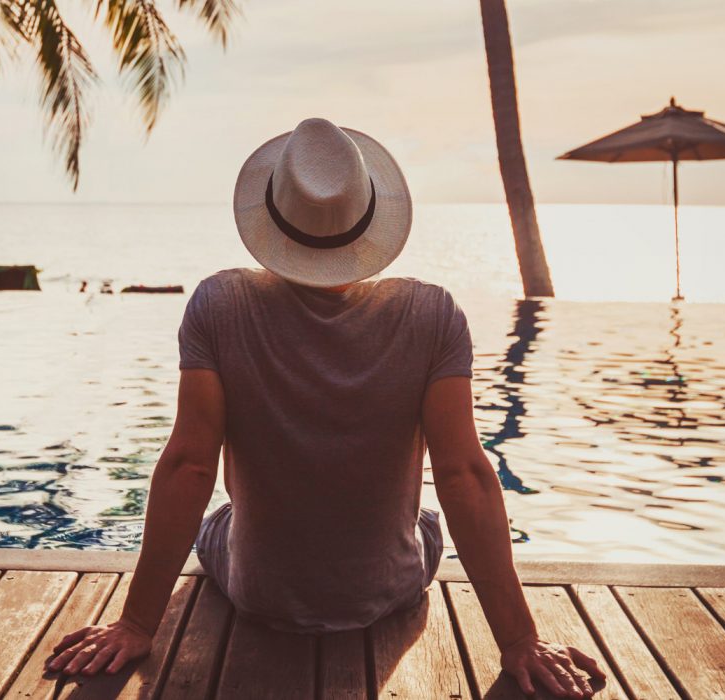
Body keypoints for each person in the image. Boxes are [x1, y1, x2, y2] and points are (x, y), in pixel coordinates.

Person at [45, 118, 606, 698]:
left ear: (272, 215)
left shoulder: (219, 304)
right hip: (386, 590)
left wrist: (136, 624)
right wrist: (519, 641)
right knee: (428, 521)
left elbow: (190, 465)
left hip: (257, 590)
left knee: (219, 520)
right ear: (369, 219)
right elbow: (464, 475)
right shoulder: (433, 315)